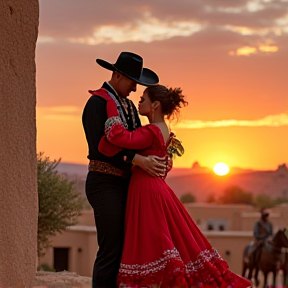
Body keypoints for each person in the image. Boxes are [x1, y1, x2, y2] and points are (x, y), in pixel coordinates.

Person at [98, 85, 251, 288]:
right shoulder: (163, 130)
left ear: (155, 105)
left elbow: (118, 137)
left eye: (143, 99)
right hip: (154, 188)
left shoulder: (151, 130)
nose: (139, 102)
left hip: (147, 191)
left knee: (153, 242)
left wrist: (110, 105)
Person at [82, 51, 167, 288]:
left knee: (125, 250)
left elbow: (137, 140)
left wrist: (157, 157)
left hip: (125, 185)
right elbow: (101, 148)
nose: (134, 89)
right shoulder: (96, 103)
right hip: (104, 183)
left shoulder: (128, 105)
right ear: (118, 75)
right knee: (111, 249)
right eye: (132, 82)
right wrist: (137, 160)